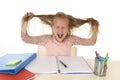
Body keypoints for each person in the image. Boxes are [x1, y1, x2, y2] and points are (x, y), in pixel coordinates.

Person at [21, 12, 99, 56]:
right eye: (57, 27)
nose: (60, 30)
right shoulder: (46, 39)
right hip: (50, 72)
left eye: (63, 27)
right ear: (52, 27)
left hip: (65, 73)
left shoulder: (71, 39)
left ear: (68, 28)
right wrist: (25, 21)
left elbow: (91, 42)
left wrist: (95, 27)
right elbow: (25, 38)